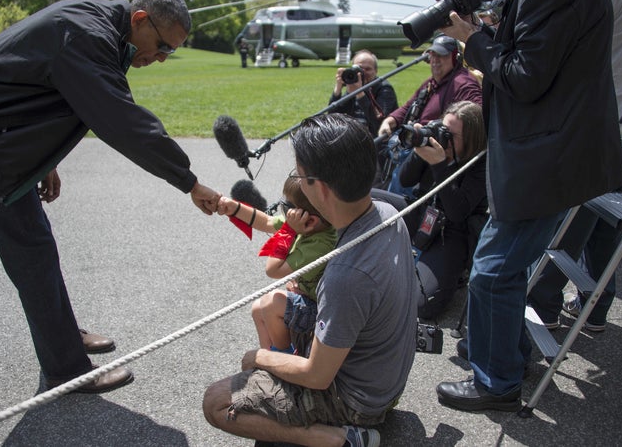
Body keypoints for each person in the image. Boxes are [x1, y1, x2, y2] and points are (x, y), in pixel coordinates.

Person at [0, 0, 221, 393]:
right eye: (161, 46)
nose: (160, 57)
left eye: (169, 53)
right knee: (31, 252)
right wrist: (189, 182)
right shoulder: (88, 36)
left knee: (39, 246)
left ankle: (63, 336)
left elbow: (47, 89)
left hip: (1, 130)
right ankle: (65, 369)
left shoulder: (106, 29)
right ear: (139, 19)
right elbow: (122, 121)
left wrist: (45, 160)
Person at [435, 0, 622, 412]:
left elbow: (523, 76)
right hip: (556, 150)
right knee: (507, 264)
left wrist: (473, 39)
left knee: (493, 270)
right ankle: (502, 353)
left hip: (548, 156)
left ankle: (497, 381)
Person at [203, 113, 418, 446]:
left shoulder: (345, 274)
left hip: (359, 402)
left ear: (320, 187)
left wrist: (258, 359)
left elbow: (317, 377)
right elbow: (273, 226)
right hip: (386, 383)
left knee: (217, 402)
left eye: (299, 176)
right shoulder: (387, 214)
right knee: (272, 308)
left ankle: (342, 438)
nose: (297, 185)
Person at [527, 0, 622, 333]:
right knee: (612, 223)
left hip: (601, 115)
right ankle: (596, 306)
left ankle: (545, 302)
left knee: (573, 221)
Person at [216, 177, 336, 354]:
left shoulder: (320, 243)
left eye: (288, 207)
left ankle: (284, 357)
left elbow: (272, 270)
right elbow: (266, 222)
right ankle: (269, 355)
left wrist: (289, 231)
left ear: (310, 220)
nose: (285, 213)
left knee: (271, 304)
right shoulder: (308, 223)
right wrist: (234, 208)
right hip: (306, 296)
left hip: (322, 313)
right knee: (258, 309)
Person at [396, 100, 487, 319]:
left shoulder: (481, 162)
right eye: (442, 129)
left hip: (452, 231)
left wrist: (440, 165)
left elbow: (458, 211)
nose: (442, 138)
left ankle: (454, 276)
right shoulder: (435, 145)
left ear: (472, 140)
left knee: (423, 305)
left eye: (451, 135)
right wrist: (420, 148)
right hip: (422, 211)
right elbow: (405, 180)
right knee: (364, 202)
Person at [377, 35, 482, 194]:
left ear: (456, 58)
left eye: (442, 55)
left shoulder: (464, 84)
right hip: (412, 143)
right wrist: (390, 120)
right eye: (432, 55)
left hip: (428, 151)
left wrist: (440, 132)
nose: (435, 60)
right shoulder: (431, 82)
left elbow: (477, 115)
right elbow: (408, 107)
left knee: (398, 192)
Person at [328, 50, 398, 140]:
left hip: (375, 139)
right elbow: (332, 117)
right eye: (359, 68)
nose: (363, 72)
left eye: (368, 69)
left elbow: (379, 124)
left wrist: (359, 93)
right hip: (352, 136)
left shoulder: (384, 89)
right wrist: (338, 89)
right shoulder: (353, 83)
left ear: (376, 71)